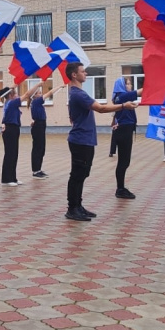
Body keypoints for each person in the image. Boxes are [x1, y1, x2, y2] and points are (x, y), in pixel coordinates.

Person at [66, 62, 138, 221]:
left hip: (85, 140)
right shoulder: (78, 94)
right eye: (83, 72)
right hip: (80, 140)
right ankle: (72, 208)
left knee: (83, 174)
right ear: (74, 75)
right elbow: (101, 108)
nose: (85, 74)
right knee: (77, 175)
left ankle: (78, 205)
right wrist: (123, 106)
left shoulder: (77, 93)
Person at [0, 81, 41, 186]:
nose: (18, 96)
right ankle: (6, 179)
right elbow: (27, 94)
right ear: (11, 95)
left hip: (14, 129)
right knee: (10, 154)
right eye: (16, 94)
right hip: (10, 130)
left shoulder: (11, 104)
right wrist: (36, 85)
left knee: (14, 154)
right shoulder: (11, 103)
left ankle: (13, 178)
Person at [110, 77, 139, 198]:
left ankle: (121, 187)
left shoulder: (122, 97)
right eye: (127, 84)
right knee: (123, 161)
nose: (130, 85)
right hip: (123, 130)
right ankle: (120, 189)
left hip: (125, 130)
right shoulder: (122, 96)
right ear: (121, 86)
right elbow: (139, 92)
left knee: (124, 161)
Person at [28, 83, 60, 178]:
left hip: (40, 125)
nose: (41, 95)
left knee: (41, 148)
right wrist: (59, 86)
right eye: (39, 93)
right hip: (38, 126)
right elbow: (50, 93)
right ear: (35, 95)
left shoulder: (37, 103)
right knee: (38, 148)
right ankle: (35, 171)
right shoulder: (36, 101)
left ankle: (38, 169)